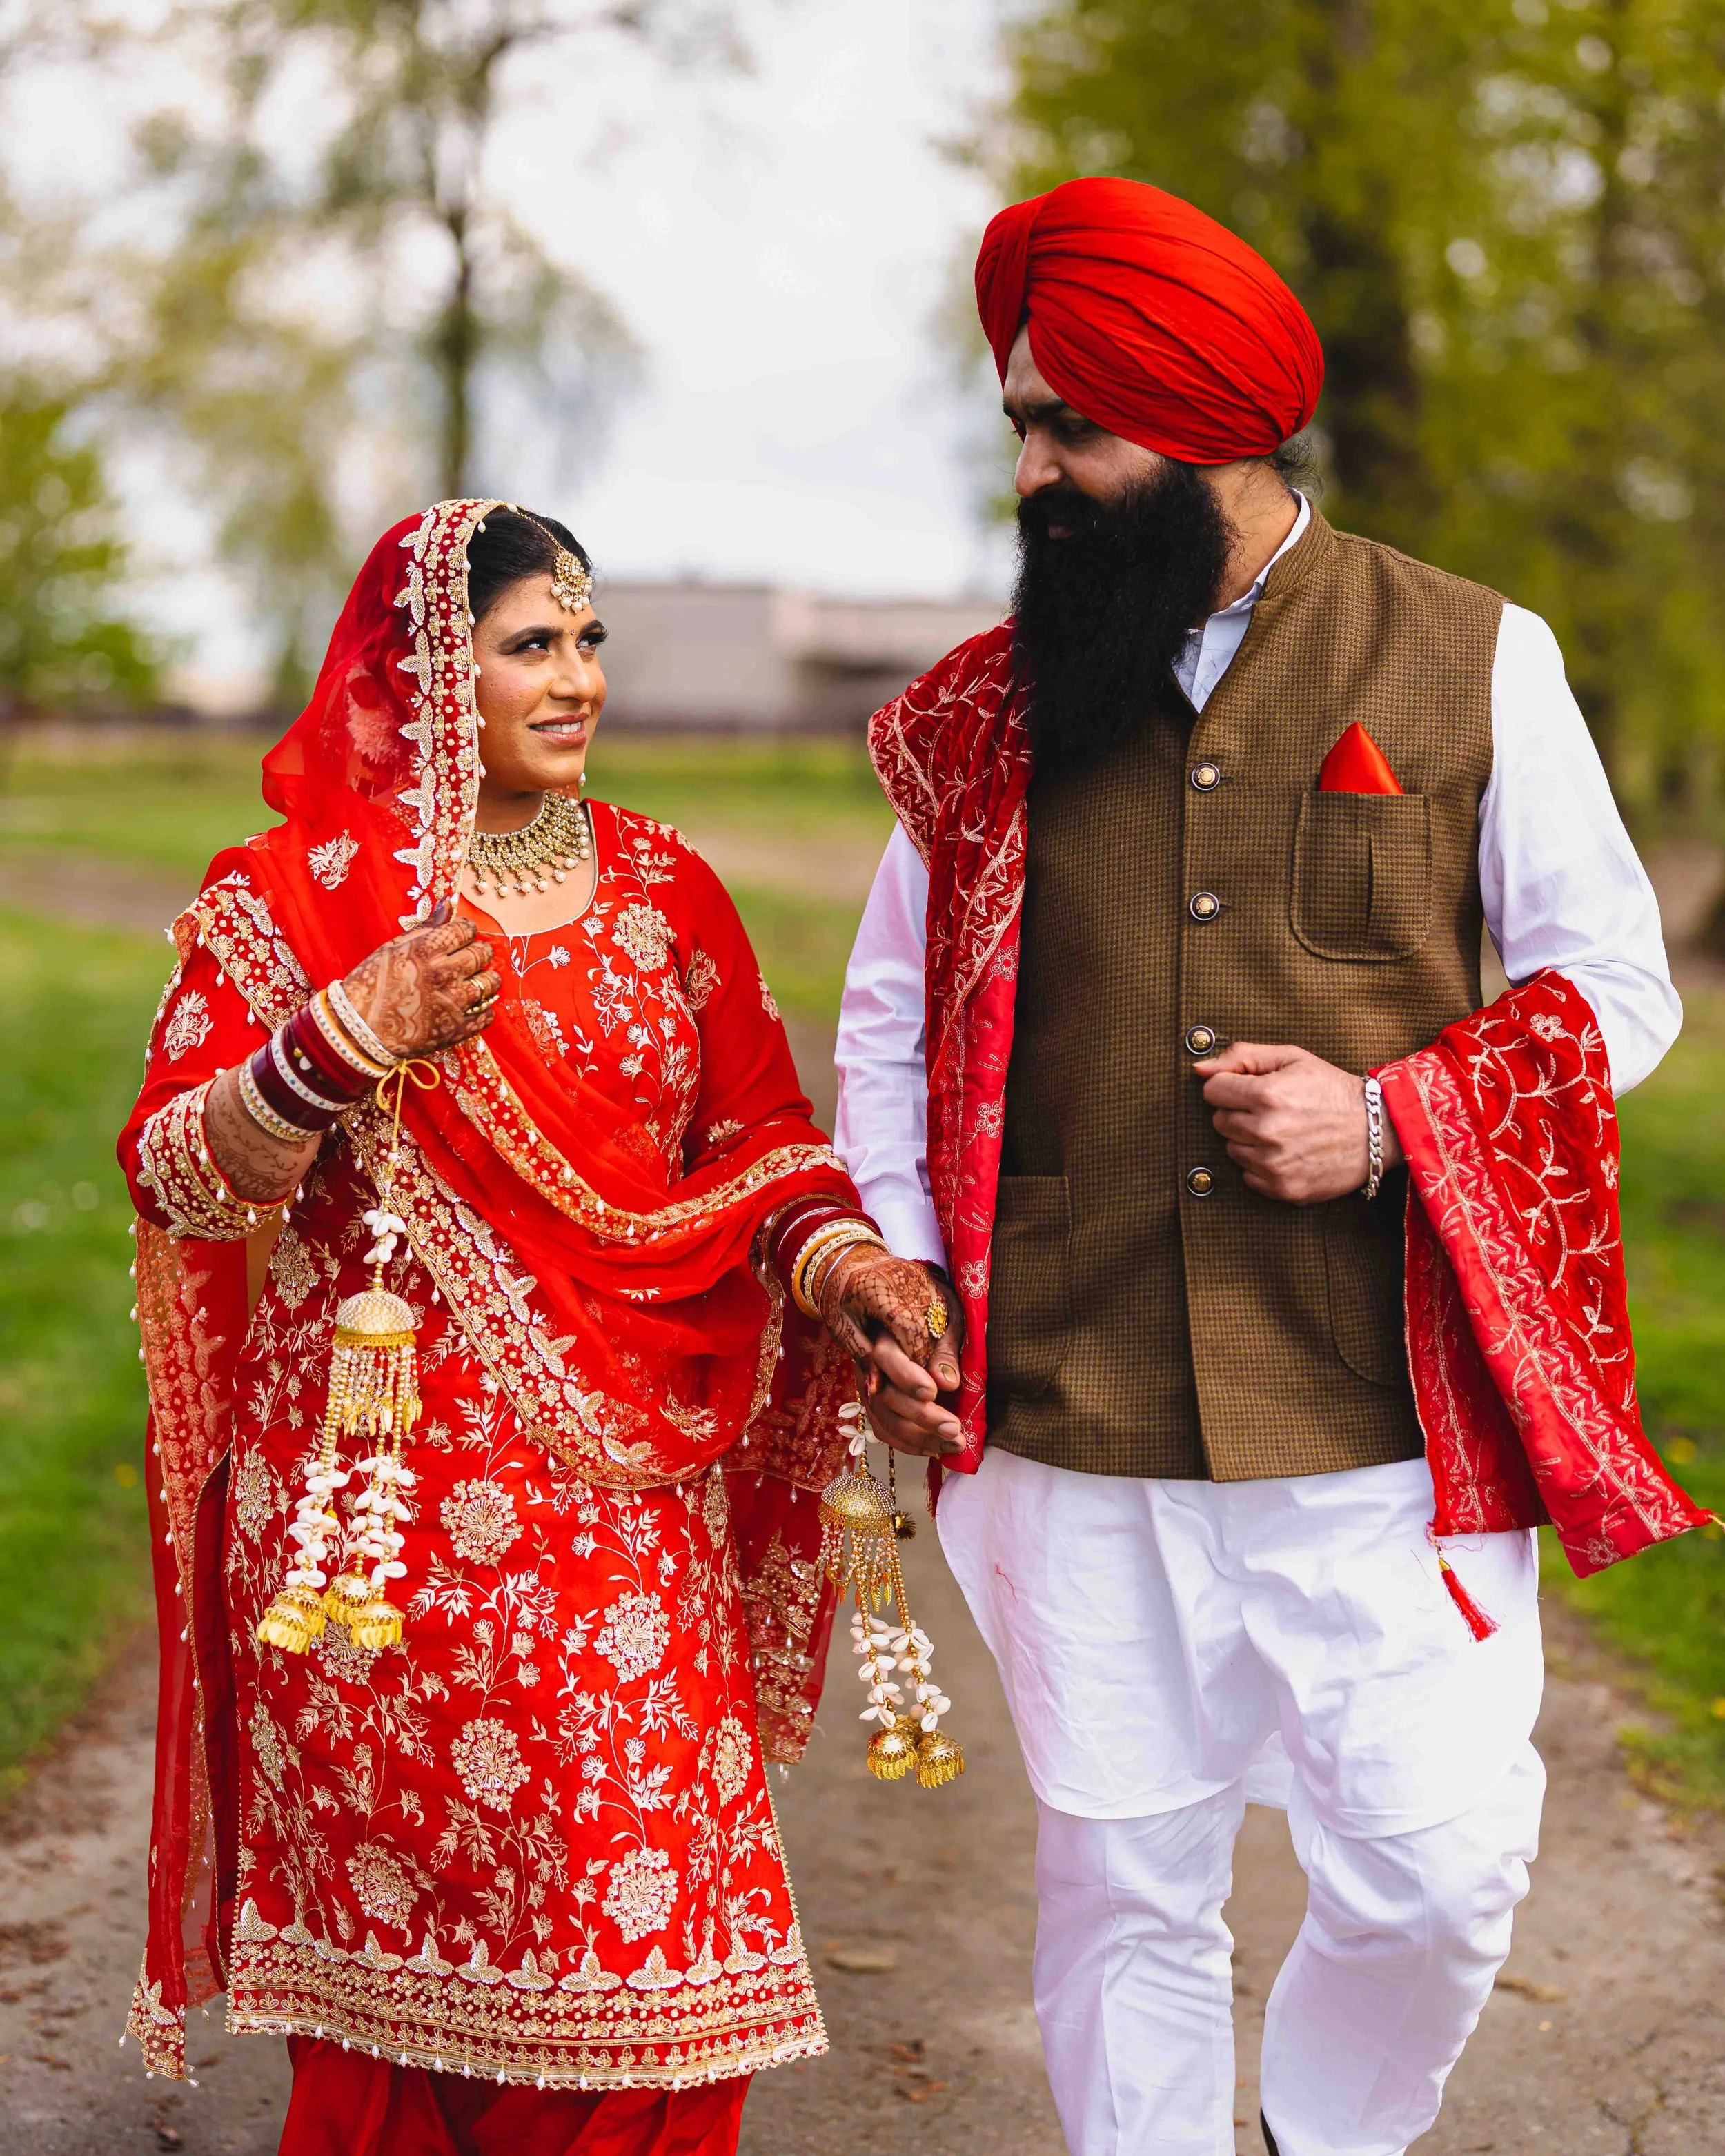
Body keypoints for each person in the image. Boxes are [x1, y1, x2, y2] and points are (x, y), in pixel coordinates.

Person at [832, 177, 1708, 2156]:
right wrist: (900, 1263)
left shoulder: (1471, 654)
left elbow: (1611, 987)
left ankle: (1327, 2135)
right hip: (1072, 1401)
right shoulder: (982, 712)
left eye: (1072, 429)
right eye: (1020, 426)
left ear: (1209, 424)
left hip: (1377, 1404)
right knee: (1122, 1886)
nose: (1033, 472)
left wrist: (1389, 1113)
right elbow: (888, 1022)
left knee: (1434, 1870)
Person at [117, 498, 932, 2155]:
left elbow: (759, 1141)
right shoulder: (294, 900)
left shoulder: (664, 888)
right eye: (530, 645)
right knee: (407, 1958)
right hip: (375, 1524)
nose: (576, 680)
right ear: (427, 670)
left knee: (653, 1931)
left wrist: (846, 1264)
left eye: (587, 640)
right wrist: (338, 1037)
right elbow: (174, 1172)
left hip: (622, 1496)